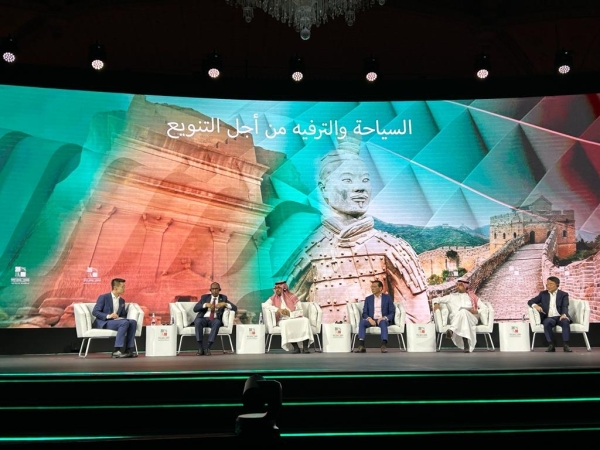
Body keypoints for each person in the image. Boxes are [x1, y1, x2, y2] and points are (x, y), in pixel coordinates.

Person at [285, 138, 430, 324]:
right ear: (323, 189)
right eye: (347, 179)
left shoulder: (393, 248)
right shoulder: (308, 251)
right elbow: (287, 311)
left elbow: (418, 319)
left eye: (365, 180)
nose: (360, 187)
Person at [432, 279, 483, 353]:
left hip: (471, 318)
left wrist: (476, 311)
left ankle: (452, 330)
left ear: (465, 286)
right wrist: (436, 304)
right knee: (463, 312)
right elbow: (436, 299)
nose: (458, 286)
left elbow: (484, 308)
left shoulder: (472, 297)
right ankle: (465, 342)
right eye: (457, 285)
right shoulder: (451, 296)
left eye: (460, 285)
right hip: (455, 319)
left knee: (463, 311)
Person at [262, 281, 314, 353]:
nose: (276, 290)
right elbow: (264, 305)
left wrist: (290, 314)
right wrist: (278, 309)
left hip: (295, 316)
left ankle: (305, 348)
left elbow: (300, 311)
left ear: (284, 289)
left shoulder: (293, 297)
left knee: (305, 321)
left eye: (279, 288)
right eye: (275, 288)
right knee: (286, 324)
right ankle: (296, 348)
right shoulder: (273, 298)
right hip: (283, 319)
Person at [92, 278, 138, 358]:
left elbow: (123, 315)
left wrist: (119, 317)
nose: (124, 289)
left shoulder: (122, 301)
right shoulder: (104, 297)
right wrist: (109, 316)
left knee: (133, 322)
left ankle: (129, 350)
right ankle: (117, 350)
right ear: (115, 288)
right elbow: (95, 312)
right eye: (122, 287)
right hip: (105, 322)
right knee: (124, 323)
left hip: (116, 322)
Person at [527, 276, 572, 352]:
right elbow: (530, 301)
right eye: (547, 284)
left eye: (551, 284)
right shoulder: (543, 294)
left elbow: (565, 305)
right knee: (547, 322)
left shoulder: (563, 294)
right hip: (549, 317)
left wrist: (564, 314)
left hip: (560, 316)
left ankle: (566, 345)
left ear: (557, 285)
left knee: (565, 322)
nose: (548, 286)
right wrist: (535, 305)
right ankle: (551, 345)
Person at [192, 282, 238, 355]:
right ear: (210, 290)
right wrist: (205, 305)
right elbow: (195, 309)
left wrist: (225, 304)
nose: (214, 291)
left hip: (214, 319)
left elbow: (235, 308)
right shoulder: (204, 298)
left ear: (219, 290)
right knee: (197, 321)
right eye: (213, 289)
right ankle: (200, 348)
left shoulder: (223, 298)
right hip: (203, 318)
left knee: (217, 322)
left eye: (216, 289)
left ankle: (208, 348)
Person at [353, 280, 395, 353]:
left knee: (383, 322)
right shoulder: (368, 299)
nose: (372, 288)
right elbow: (364, 313)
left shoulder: (387, 298)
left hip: (382, 319)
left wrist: (384, 318)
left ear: (380, 288)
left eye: (375, 287)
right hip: (372, 320)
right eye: (372, 287)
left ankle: (383, 345)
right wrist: (369, 319)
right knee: (362, 322)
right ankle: (361, 345)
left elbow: (392, 312)